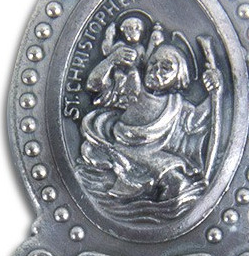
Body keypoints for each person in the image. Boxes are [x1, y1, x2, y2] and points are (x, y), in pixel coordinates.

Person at [78, 30, 222, 209]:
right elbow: (94, 85)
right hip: (120, 148)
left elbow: (198, 121)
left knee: (178, 183)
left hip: (154, 155)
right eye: (153, 63)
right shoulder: (132, 87)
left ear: (179, 76)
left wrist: (215, 90)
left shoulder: (176, 104)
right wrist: (111, 60)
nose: (156, 70)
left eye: (166, 68)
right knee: (175, 180)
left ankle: (164, 215)